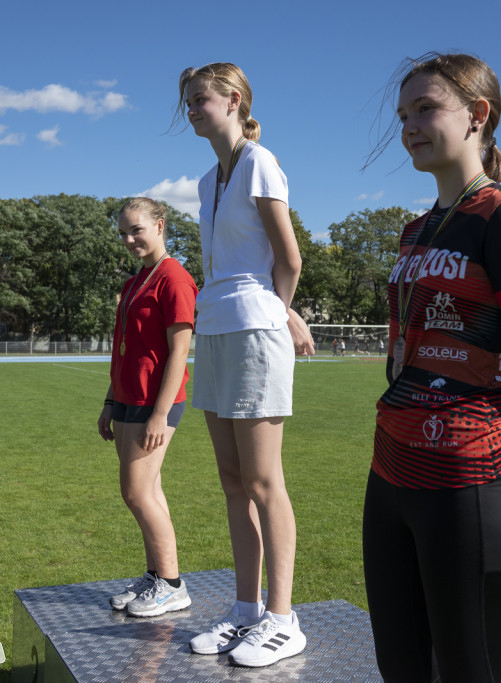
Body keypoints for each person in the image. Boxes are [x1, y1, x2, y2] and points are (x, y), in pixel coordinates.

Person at [361, 53, 501, 682]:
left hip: (472, 475)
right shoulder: (416, 230)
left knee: (469, 669)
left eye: (426, 108)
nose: (410, 126)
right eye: (404, 114)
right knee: (401, 666)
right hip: (390, 472)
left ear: (478, 115)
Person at [174, 61, 314, 668]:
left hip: (255, 326)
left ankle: (284, 620)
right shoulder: (208, 180)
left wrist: (278, 312)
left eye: (199, 99)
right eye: (186, 101)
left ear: (233, 100)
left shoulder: (260, 161)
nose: (190, 109)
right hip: (215, 327)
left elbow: (289, 256)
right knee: (232, 482)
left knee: (263, 482)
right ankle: (247, 610)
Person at [98, 197, 199, 618]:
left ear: (160, 226)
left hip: (153, 402)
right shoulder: (136, 280)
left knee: (136, 492)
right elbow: (123, 347)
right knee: (150, 491)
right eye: (123, 232)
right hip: (126, 397)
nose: (129, 239)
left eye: (136, 229)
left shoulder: (174, 279)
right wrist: (108, 401)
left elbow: (180, 353)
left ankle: (173, 586)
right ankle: (157, 576)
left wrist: (160, 414)